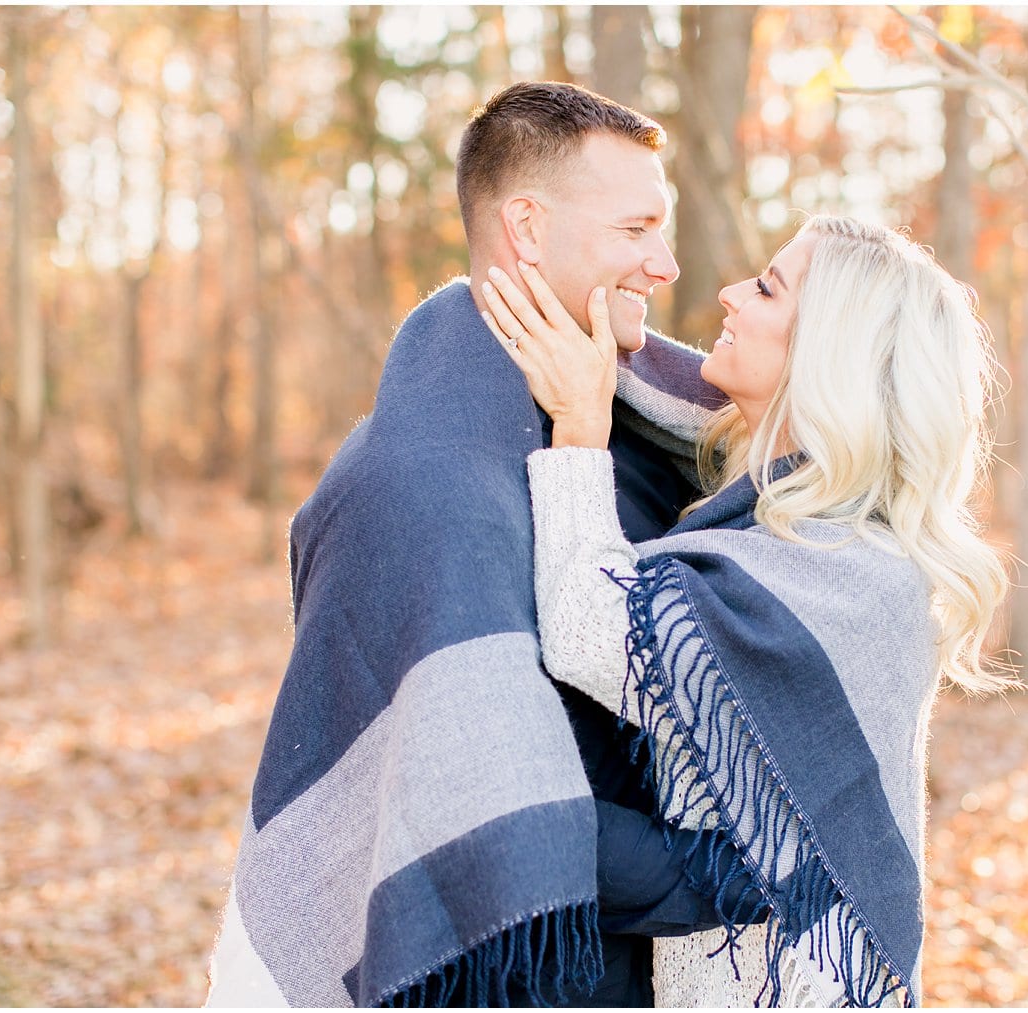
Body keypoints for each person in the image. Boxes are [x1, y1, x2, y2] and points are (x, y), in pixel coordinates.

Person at [206, 82, 762, 1008]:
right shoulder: (421, 480)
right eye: (636, 229)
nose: (665, 264)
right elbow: (469, 788)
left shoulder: (627, 428)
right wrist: (737, 870)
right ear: (529, 228)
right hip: (500, 965)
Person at [481, 214, 1014, 1006]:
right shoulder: (799, 525)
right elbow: (672, 396)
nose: (729, 293)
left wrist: (581, 431)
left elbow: (590, 630)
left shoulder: (851, 568)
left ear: (826, 350)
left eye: (767, 288)